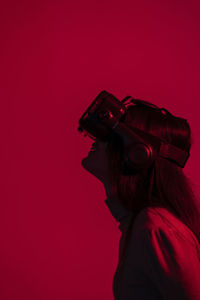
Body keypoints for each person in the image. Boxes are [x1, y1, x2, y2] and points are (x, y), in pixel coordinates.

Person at [81, 101, 200, 300]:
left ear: (140, 153)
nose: (96, 138)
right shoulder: (140, 225)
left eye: (110, 136)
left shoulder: (155, 229)